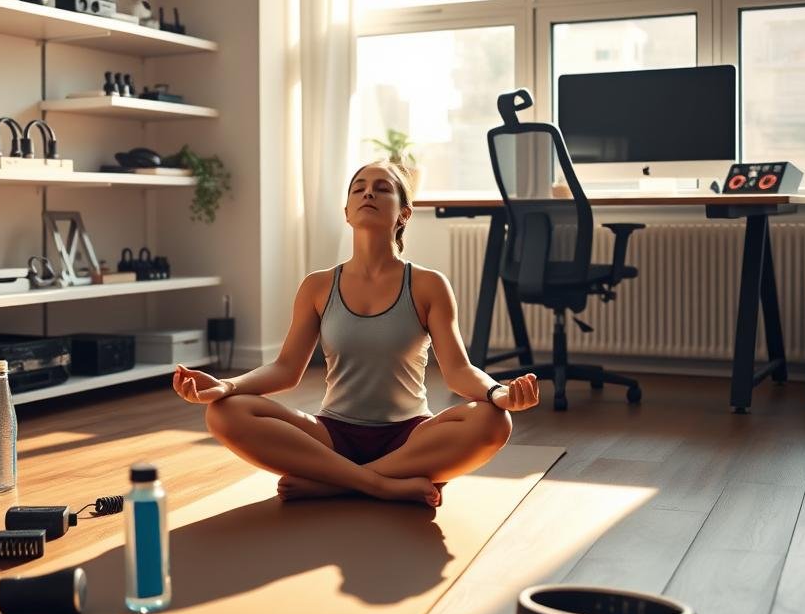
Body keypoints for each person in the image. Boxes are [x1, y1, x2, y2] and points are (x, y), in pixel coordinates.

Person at [174, 160, 539, 508]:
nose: (368, 194)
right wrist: (228, 387)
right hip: (332, 436)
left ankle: (333, 483)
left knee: (493, 420)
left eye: (382, 189)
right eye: (359, 189)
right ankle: (378, 484)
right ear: (347, 212)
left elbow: (459, 371)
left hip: (409, 438)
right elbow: (286, 369)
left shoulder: (428, 285)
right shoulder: (317, 286)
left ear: (404, 213)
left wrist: (498, 392)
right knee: (223, 413)